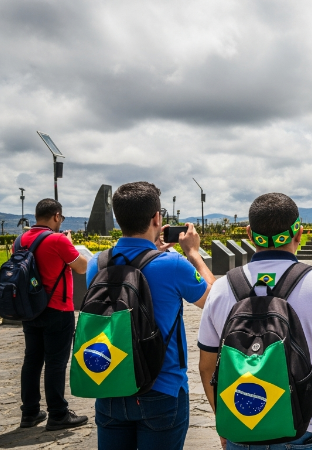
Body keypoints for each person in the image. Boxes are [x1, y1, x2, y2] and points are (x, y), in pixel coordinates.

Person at [197, 193, 312, 450]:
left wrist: (226, 422)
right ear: (298, 232)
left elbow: (207, 368)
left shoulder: (221, 289)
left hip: (243, 429)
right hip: (310, 431)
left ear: (249, 234)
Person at [86, 182, 215, 449]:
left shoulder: (96, 264)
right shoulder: (172, 264)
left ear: (118, 218)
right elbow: (215, 301)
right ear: (157, 218)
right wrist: (193, 253)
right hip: (162, 387)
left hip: (110, 383)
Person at [18, 199, 90, 430]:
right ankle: (58, 414)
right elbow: (81, 267)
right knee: (56, 363)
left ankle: (29, 413)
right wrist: (69, 243)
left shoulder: (20, 240)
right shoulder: (58, 239)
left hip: (30, 308)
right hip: (57, 308)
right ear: (57, 216)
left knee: (32, 360)